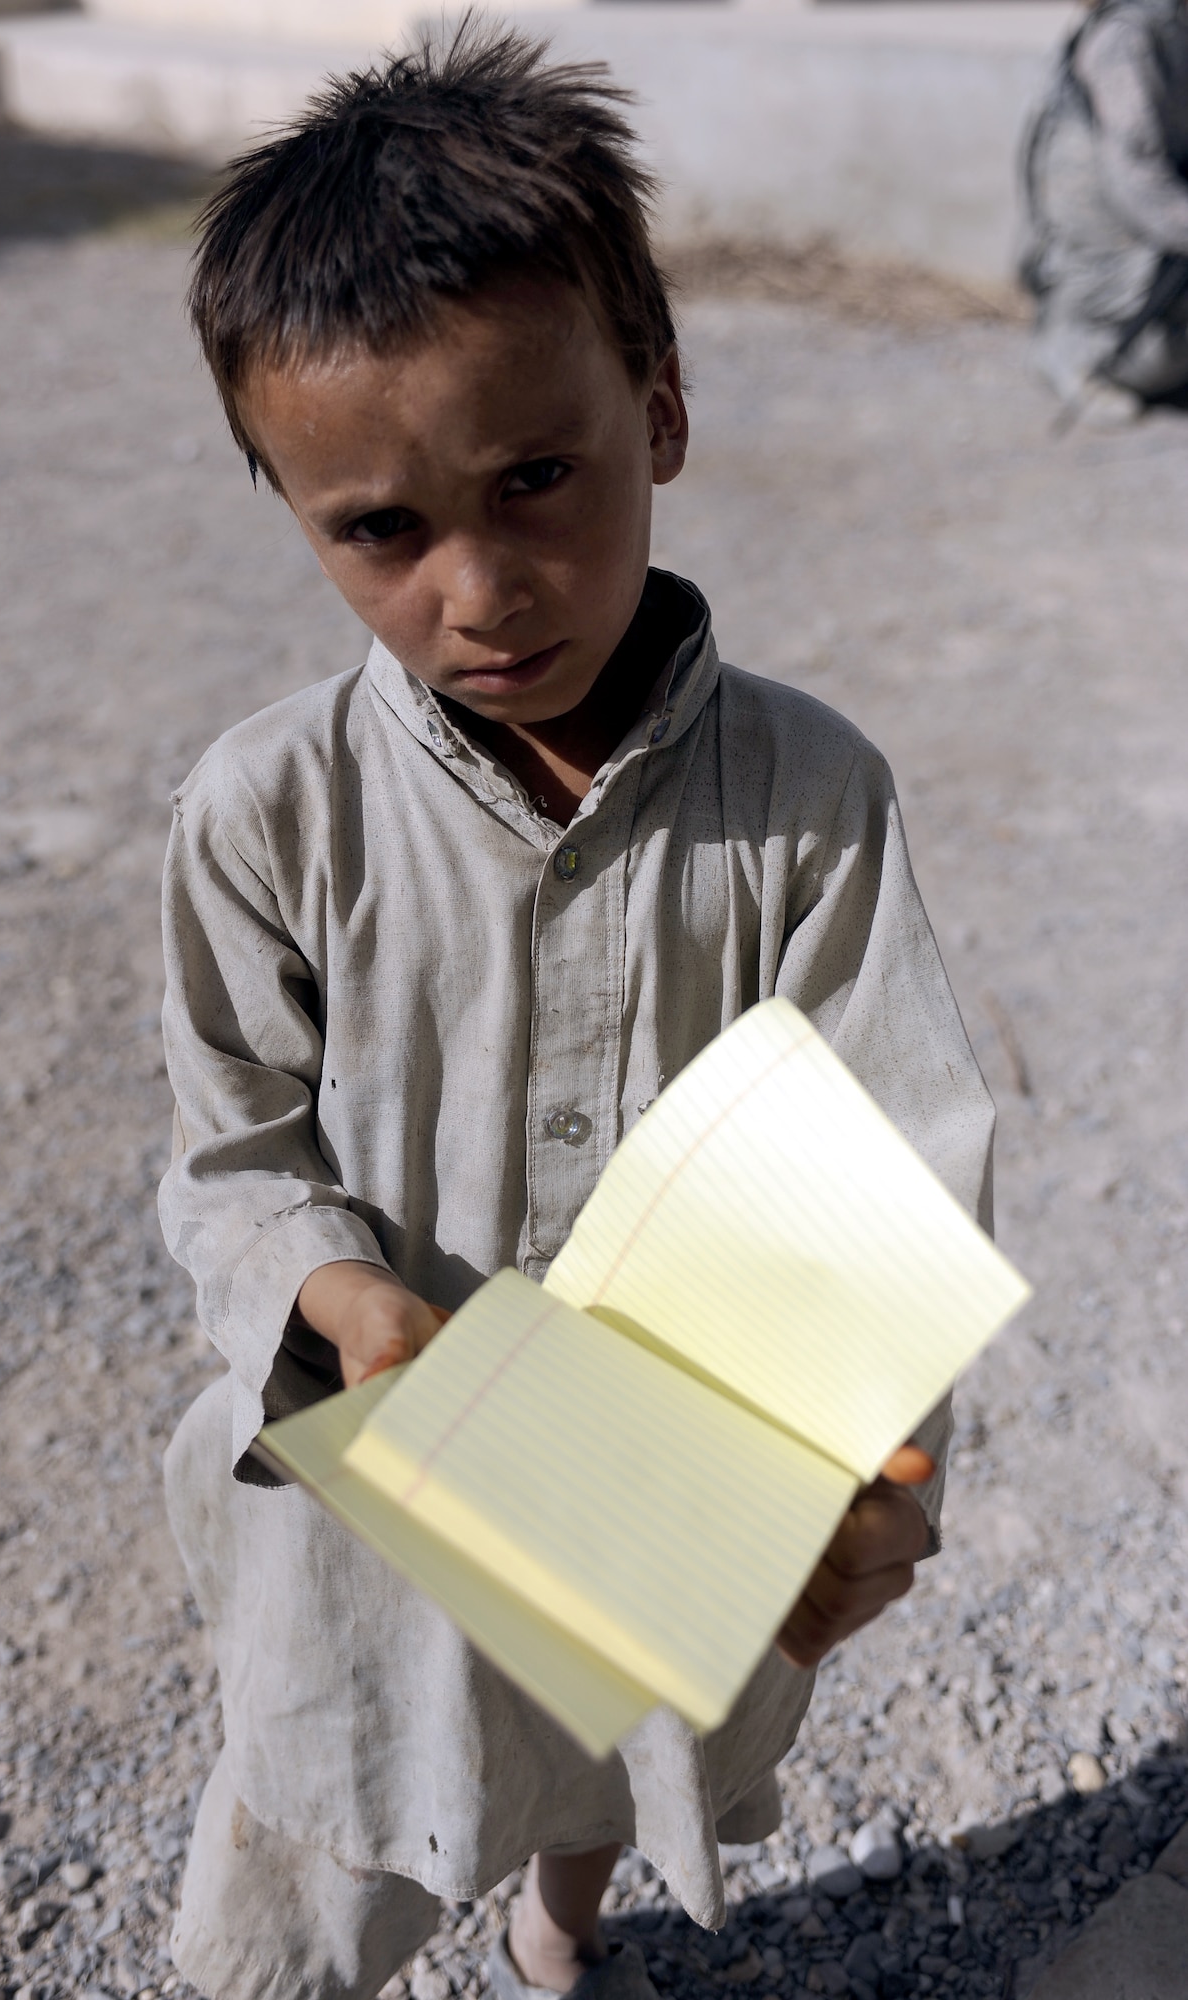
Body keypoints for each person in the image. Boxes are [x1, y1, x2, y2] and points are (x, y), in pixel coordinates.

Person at [157, 23, 996, 2000]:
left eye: (536, 476)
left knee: (607, 1762)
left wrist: (864, 1473)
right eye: (380, 528)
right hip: (380, 1531)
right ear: (291, 506)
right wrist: (321, 1284)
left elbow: (879, 1168)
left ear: (662, 410)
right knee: (311, 1849)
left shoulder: (808, 800)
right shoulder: (265, 816)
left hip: (666, 1505)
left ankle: (556, 1927)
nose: (481, 585)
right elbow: (225, 1142)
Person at [1021, 0, 1188, 424]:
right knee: (1155, 357)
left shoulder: (1170, 19)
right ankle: (1074, 358)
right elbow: (1136, 171)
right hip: (1111, 222)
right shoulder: (1126, 34)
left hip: (1158, 206)